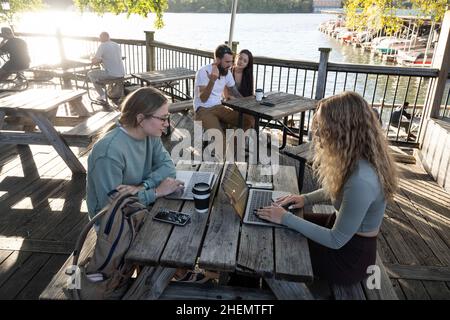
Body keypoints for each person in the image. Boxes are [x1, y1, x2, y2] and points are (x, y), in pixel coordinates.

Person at [257, 91, 398, 285]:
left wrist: (285, 218)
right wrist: (304, 199)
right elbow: (342, 190)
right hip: (340, 229)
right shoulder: (359, 160)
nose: (317, 133)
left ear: (342, 130)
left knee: (275, 250)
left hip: (348, 257)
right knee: (274, 225)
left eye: (322, 127)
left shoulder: (362, 180)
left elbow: (336, 240)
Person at [86, 87, 184, 223]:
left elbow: (168, 167)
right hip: (112, 224)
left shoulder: (151, 135)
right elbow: (113, 205)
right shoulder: (108, 152)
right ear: (140, 119)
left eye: (168, 117)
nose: (167, 124)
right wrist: (156, 192)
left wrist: (143, 186)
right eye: (163, 118)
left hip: (140, 205)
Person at [193, 44, 254, 137]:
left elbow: (235, 93)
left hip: (219, 107)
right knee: (220, 139)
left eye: (231, 61)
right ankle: (226, 147)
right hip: (203, 109)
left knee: (249, 120)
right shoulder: (203, 71)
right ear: (218, 60)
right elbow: (203, 99)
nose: (230, 65)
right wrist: (212, 80)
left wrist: (250, 104)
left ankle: (231, 146)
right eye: (227, 62)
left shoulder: (227, 73)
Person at [88, 32, 125, 102]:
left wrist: (91, 58)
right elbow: (111, 57)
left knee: (90, 74)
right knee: (100, 73)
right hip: (122, 73)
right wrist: (102, 59)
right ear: (109, 37)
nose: (99, 39)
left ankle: (102, 94)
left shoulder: (102, 46)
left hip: (112, 74)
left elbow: (95, 61)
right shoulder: (116, 44)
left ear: (102, 38)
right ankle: (103, 88)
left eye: (100, 38)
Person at [224, 49, 255, 128]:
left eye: (245, 61)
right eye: (240, 58)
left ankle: (244, 138)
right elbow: (226, 96)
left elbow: (250, 95)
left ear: (247, 64)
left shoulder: (248, 76)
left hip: (243, 104)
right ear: (236, 57)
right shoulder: (228, 72)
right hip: (229, 103)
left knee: (252, 118)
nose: (241, 62)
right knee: (248, 119)